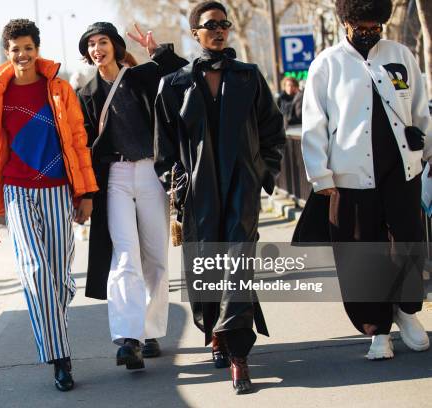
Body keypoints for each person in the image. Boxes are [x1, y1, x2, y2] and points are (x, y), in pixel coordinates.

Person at [0, 19, 98, 392]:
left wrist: (85, 194)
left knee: (59, 275)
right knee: (35, 272)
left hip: (58, 190)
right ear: (7, 52)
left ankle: (54, 321)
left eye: (28, 48)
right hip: (17, 190)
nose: (22, 54)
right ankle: (60, 358)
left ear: (37, 49)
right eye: (15, 49)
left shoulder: (60, 89)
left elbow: (79, 142)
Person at [154, 1, 285, 394]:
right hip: (199, 192)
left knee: (239, 263)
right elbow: (163, 151)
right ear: (195, 32)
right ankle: (215, 332)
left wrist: (264, 171)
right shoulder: (173, 85)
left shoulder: (249, 77)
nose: (219, 30)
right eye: (210, 25)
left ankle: (240, 356)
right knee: (206, 264)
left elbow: (272, 130)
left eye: (224, 24)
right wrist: (176, 185)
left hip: (242, 187)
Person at [302, 0, 430, 360]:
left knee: (405, 242)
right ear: (346, 21)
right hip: (350, 176)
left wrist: (427, 149)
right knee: (360, 253)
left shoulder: (400, 54)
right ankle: (376, 330)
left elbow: (419, 107)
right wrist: (320, 176)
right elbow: (315, 124)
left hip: (402, 168)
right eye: (362, 25)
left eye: (376, 26)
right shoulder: (327, 64)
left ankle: (406, 312)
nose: (369, 32)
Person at [77, 21, 187, 370]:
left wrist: (157, 51)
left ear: (116, 46)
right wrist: (85, 192)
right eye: (91, 44)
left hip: (151, 171)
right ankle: (128, 337)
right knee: (125, 256)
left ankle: (150, 330)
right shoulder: (87, 92)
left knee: (155, 256)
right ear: (87, 54)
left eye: (103, 41)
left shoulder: (140, 77)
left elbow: (182, 76)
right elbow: (84, 145)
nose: (97, 48)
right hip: (116, 177)